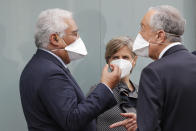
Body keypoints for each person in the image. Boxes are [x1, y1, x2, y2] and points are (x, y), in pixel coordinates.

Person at [19, 8, 121, 131]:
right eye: (74, 33)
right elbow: (72, 120)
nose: (79, 38)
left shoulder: (40, 65)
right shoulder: (50, 72)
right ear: (55, 39)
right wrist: (106, 86)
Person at [110, 5, 196, 131]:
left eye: (143, 28)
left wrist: (145, 122)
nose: (139, 34)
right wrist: (144, 118)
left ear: (160, 36)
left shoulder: (154, 72)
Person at [88, 36, 138, 131]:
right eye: (115, 57)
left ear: (134, 60)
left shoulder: (143, 93)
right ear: (108, 61)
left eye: (125, 57)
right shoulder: (97, 91)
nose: (120, 61)